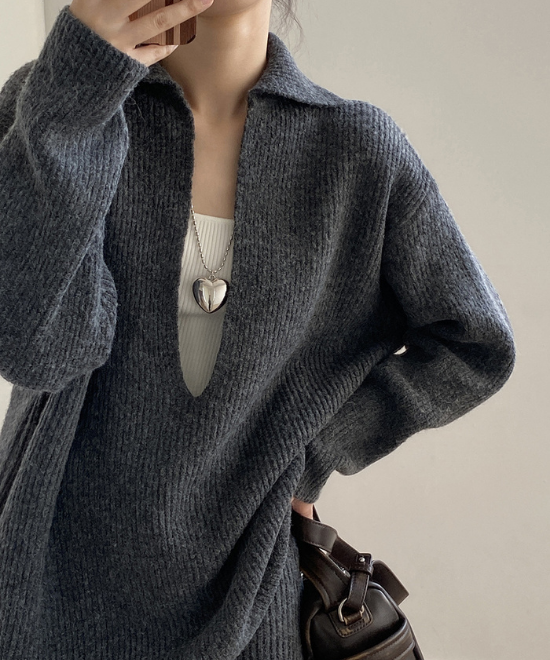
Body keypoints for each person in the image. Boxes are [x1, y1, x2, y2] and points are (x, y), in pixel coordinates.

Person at [0, 1, 516, 659]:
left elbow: (476, 344)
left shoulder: (355, 151)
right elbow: (33, 349)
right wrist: (77, 88)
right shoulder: (57, 101)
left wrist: (312, 455)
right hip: (43, 594)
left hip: (248, 603)